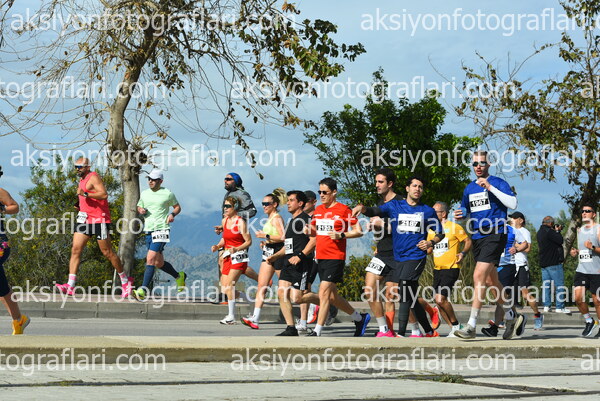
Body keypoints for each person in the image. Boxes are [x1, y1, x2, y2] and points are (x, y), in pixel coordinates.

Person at [354, 176, 444, 338]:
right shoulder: (395, 206)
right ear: (407, 188)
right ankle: (429, 331)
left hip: (416, 256)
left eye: (420, 187)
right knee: (410, 296)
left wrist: (430, 242)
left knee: (403, 288)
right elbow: (376, 211)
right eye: (414, 186)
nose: (417, 189)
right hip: (398, 256)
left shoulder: (427, 211)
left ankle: (401, 333)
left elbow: (440, 233)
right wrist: (363, 208)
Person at [453, 151, 523, 339]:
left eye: (482, 163)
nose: (478, 166)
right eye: (475, 164)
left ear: (489, 164)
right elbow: (466, 209)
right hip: (477, 236)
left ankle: (471, 325)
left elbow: (513, 203)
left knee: (478, 276)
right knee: (492, 282)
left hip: (495, 232)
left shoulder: (498, 183)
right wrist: (461, 214)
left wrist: (490, 187)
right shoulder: (469, 188)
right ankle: (511, 316)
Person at [55, 158, 131, 297]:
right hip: (84, 220)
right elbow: (88, 198)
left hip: (99, 220)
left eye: (80, 167)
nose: (77, 169)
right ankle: (70, 285)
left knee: (107, 252)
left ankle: (125, 282)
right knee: (75, 249)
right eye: (76, 166)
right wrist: (79, 204)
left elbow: (103, 194)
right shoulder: (82, 179)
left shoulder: (94, 177)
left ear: (88, 167)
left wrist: (85, 194)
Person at [308, 177, 369, 337]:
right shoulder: (318, 210)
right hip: (319, 256)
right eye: (320, 192)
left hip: (335, 257)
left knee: (323, 292)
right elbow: (314, 231)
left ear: (334, 192)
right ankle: (359, 318)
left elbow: (358, 231)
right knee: (333, 296)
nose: (322, 195)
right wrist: (307, 231)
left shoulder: (343, 210)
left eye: (325, 192)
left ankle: (317, 330)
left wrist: (341, 234)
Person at [270, 191, 318, 336]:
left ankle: (327, 302)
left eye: (291, 200)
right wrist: (275, 256)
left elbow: (314, 240)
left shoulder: (305, 220)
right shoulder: (291, 221)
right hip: (288, 263)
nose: (288, 203)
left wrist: (300, 256)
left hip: (302, 264)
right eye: (288, 200)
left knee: (297, 298)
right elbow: (288, 246)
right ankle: (291, 328)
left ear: (300, 203)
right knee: (281, 292)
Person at [133, 169, 186, 300]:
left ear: (160, 181)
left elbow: (177, 207)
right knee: (158, 262)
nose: (150, 181)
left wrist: (172, 214)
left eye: (153, 179)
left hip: (162, 229)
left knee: (150, 259)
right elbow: (139, 206)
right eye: (149, 179)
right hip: (148, 230)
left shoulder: (167, 193)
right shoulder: (145, 193)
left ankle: (143, 290)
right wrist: (141, 210)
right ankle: (179, 276)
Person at [362, 168, 402, 337]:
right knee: (369, 289)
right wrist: (374, 227)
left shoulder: (401, 203)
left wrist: (382, 224)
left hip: (398, 254)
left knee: (394, 296)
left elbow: (403, 230)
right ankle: (384, 329)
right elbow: (383, 228)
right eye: (376, 182)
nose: (377, 185)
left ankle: (428, 312)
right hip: (382, 253)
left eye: (380, 182)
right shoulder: (380, 204)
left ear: (390, 183)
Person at [426, 201, 472, 337]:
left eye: (435, 212)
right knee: (438, 301)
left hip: (451, 267)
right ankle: (454, 329)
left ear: (443, 213)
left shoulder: (454, 227)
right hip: (437, 269)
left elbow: (468, 241)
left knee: (441, 299)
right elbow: (429, 250)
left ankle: (457, 325)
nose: (432, 214)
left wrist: (462, 253)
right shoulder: (431, 231)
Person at [242, 189, 286, 329]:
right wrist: (266, 243)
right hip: (268, 253)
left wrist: (265, 236)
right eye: (263, 203)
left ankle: (311, 305)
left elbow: (283, 237)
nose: (264, 206)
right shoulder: (269, 218)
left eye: (267, 204)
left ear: (275, 204)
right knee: (262, 286)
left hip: (278, 253)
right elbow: (272, 237)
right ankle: (255, 318)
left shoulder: (277, 218)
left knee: (286, 288)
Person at [213, 173, 258, 303]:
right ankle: (224, 294)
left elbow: (252, 211)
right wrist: (224, 227)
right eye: (225, 179)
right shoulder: (228, 194)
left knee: (239, 266)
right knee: (222, 261)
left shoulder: (242, 194)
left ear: (236, 181)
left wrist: (235, 216)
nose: (225, 181)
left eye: (229, 179)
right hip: (229, 234)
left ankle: (261, 280)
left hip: (239, 236)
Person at [211, 197, 252, 324]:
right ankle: (251, 301)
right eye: (224, 206)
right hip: (227, 256)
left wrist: (237, 248)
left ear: (235, 208)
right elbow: (225, 238)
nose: (225, 208)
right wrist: (217, 246)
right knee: (225, 288)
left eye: (228, 206)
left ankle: (231, 316)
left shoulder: (240, 222)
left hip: (239, 256)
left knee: (229, 286)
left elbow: (249, 241)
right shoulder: (224, 221)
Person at [480, 223, 525, 337]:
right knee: (502, 297)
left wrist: (516, 249)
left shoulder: (512, 230)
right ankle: (517, 317)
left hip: (507, 266)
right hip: (494, 266)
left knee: (501, 297)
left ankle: (495, 328)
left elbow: (525, 244)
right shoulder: (489, 228)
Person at [0, 166, 30, 334]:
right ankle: (19, 320)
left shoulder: (0, 192)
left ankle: (19, 320)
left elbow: (15, 207)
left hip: (0, 244)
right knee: (2, 288)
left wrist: (2, 209)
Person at [569, 205, 600, 337]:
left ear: (594, 214)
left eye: (588, 211)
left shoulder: (598, 229)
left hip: (596, 271)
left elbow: (593, 248)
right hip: (582, 269)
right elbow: (583, 250)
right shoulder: (580, 230)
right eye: (582, 211)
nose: (584, 213)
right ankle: (589, 321)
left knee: (597, 301)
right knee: (578, 298)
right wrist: (576, 252)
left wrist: (592, 247)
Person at [509, 211, 543, 330]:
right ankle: (510, 319)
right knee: (508, 295)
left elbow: (528, 249)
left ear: (521, 220)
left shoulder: (525, 232)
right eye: (511, 218)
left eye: (514, 218)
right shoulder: (509, 231)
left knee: (525, 294)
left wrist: (516, 246)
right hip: (511, 265)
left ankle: (538, 316)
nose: (512, 220)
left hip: (522, 266)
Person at [296, 190, 319, 332]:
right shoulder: (301, 218)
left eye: (308, 201)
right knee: (304, 288)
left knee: (304, 289)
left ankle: (327, 304)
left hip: (318, 256)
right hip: (306, 257)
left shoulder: (318, 216)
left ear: (314, 202)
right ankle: (304, 321)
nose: (304, 204)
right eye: (302, 201)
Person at [537, 216, 570, 314]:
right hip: (554, 262)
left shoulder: (539, 232)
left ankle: (546, 306)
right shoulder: (550, 232)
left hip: (544, 263)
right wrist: (557, 231)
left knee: (546, 285)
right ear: (551, 223)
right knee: (559, 285)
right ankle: (560, 307)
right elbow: (560, 240)